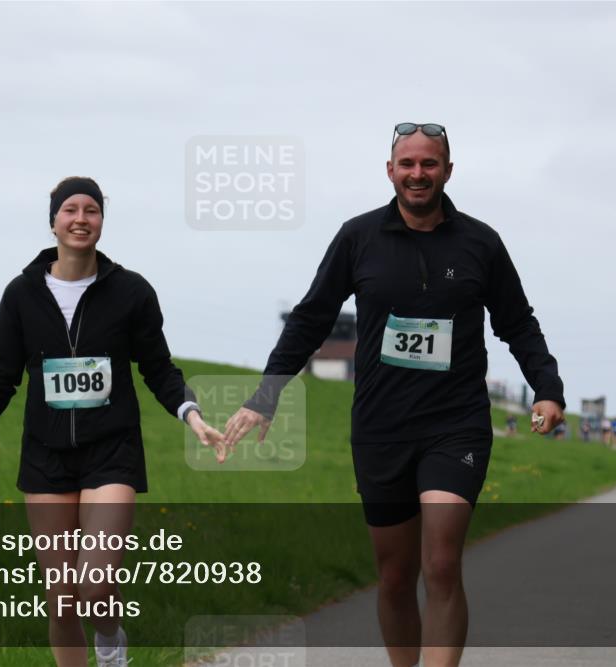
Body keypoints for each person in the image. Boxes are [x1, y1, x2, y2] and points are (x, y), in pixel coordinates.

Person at [222, 123, 565, 667]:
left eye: (429, 164)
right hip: (381, 426)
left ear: (448, 172)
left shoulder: (481, 243)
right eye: (407, 164)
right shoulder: (358, 238)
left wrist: (547, 387)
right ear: (390, 171)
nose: (418, 174)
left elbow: (517, 322)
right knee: (395, 575)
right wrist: (267, 393)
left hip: (455, 425)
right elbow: (311, 318)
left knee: (441, 563)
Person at [0, 176, 226, 667]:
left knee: (97, 584)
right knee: (61, 597)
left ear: (102, 222)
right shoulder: (21, 295)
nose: (81, 218)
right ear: (53, 221)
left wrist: (192, 416)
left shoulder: (131, 292)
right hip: (46, 457)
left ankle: (110, 644)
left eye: (92, 210)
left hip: (112, 452)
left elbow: (158, 368)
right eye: (70, 209)